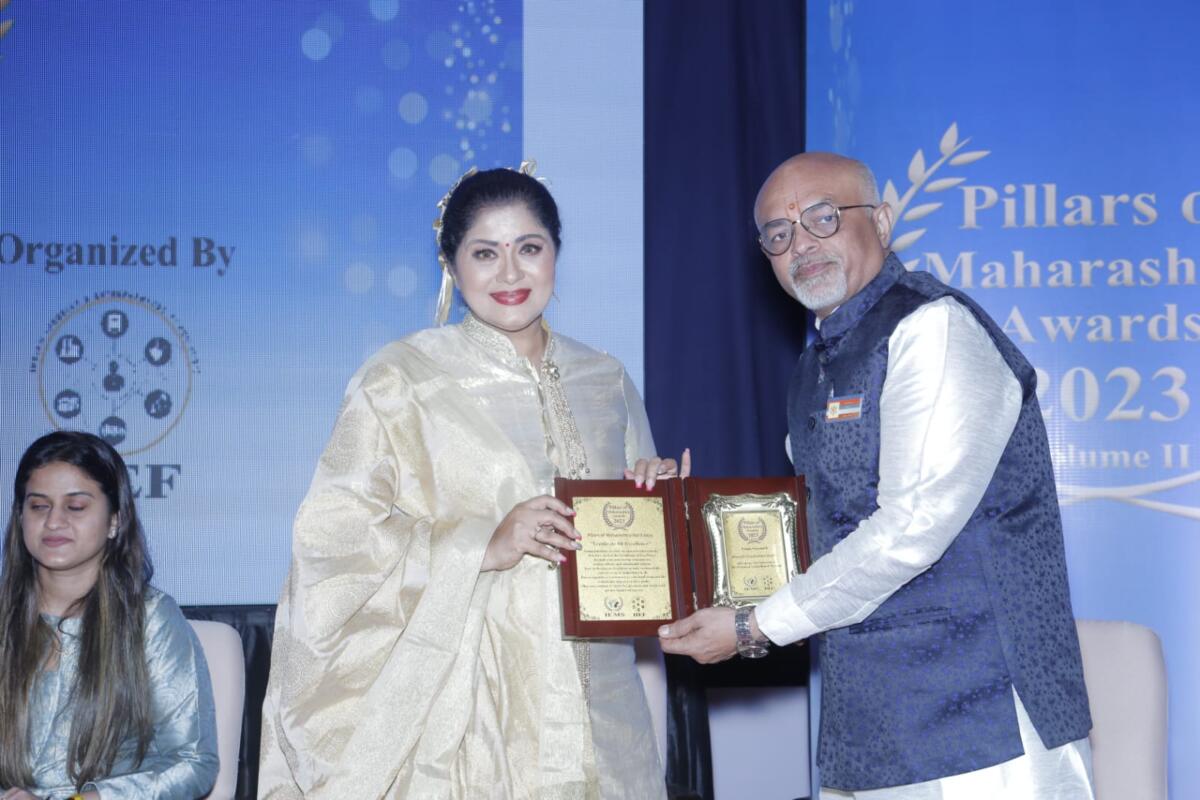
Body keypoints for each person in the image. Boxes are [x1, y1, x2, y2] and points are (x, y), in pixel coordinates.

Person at [659, 152, 1095, 798]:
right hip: (871, 722)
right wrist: (675, 531)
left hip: (982, 718)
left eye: (823, 218)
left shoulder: (932, 327)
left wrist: (754, 625)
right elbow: (821, 534)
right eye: (778, 234)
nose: (801, 245)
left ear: (883, 221)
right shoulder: (814, 368)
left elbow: (912, 528)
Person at [258, 164, 684, 799]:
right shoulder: (401, 379)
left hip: (604, 703)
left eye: (529, 248)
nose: (510, 274)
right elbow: (331, 539)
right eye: (485, 253)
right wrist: (482, 543)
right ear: (452, 266)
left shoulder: (606, 380)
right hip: (471, 709)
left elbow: (646, 571)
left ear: (556, 253)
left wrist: (662, 502)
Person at [0, 431, 218, 800]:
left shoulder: (149, 618)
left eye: (75, 507)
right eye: (38, 506)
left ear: (114, 520)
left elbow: (192, 762)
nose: (53, 521)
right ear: (20, 517)